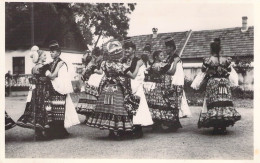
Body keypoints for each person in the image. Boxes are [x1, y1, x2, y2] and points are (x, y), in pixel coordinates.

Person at [86, 40, 142, 140]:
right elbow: (133, 76)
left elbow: (99, 72)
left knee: (108, 108)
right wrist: (138, 65)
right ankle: (119, 131)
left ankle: (111, 131)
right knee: (118, 109)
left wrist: (92, 68)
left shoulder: (104, 63)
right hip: (117, 89)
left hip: (106, 89)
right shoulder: (121, 66)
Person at [196, 38, 241, 134]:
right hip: (224, 82)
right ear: (220, 49)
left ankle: (216, 125)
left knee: (214, 103)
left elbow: (203, 70)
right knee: (224, 102)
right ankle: (223, 125)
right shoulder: (226, 60)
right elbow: (229, 71)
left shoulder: (208, 60)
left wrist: (211, 71)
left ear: (211, 50)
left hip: (213, 83)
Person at [45, 40, 80, 139]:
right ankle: (56, 130)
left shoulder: (61, 63)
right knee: (54, 110)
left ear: (59, 53)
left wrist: (58, 87)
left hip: (59, 89)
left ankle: (60, 131)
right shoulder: (52, 63)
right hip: (53, 89)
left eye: (54, 52)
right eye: (50, 52)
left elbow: (63, 78)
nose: (52, 53)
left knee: (60, 110)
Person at [16, 46, 52, 140]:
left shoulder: (33, 68)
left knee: (36, 108)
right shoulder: (44, 67)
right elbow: (51, 76)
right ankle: (42, 132)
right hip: (43, 90)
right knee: (43, 109)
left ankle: (38, 132)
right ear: (39, 57)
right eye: (44, 55)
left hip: (35, 91)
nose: (45, 57)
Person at [123, 39, 153, 138]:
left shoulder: (138, 61)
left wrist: (134, 86)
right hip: (126, 86)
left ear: (134, 50)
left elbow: (140, 76)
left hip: (135, 86)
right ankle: (127, 127)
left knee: (138, 108)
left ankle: (137, 129)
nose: (126, 50)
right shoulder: (123, 60)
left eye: (128, 48)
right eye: (125, 49)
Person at [76, 47, 104, 123]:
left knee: (93, 100)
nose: (94, 58)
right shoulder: (92, 63)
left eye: (95, 57)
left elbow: (100, 72)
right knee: (88, 100)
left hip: (96, 82)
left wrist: (92, 69)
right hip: (89, 82)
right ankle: (88, 117)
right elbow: (85, 72)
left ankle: (93, 117)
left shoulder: (102, 62)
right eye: (94, 57)